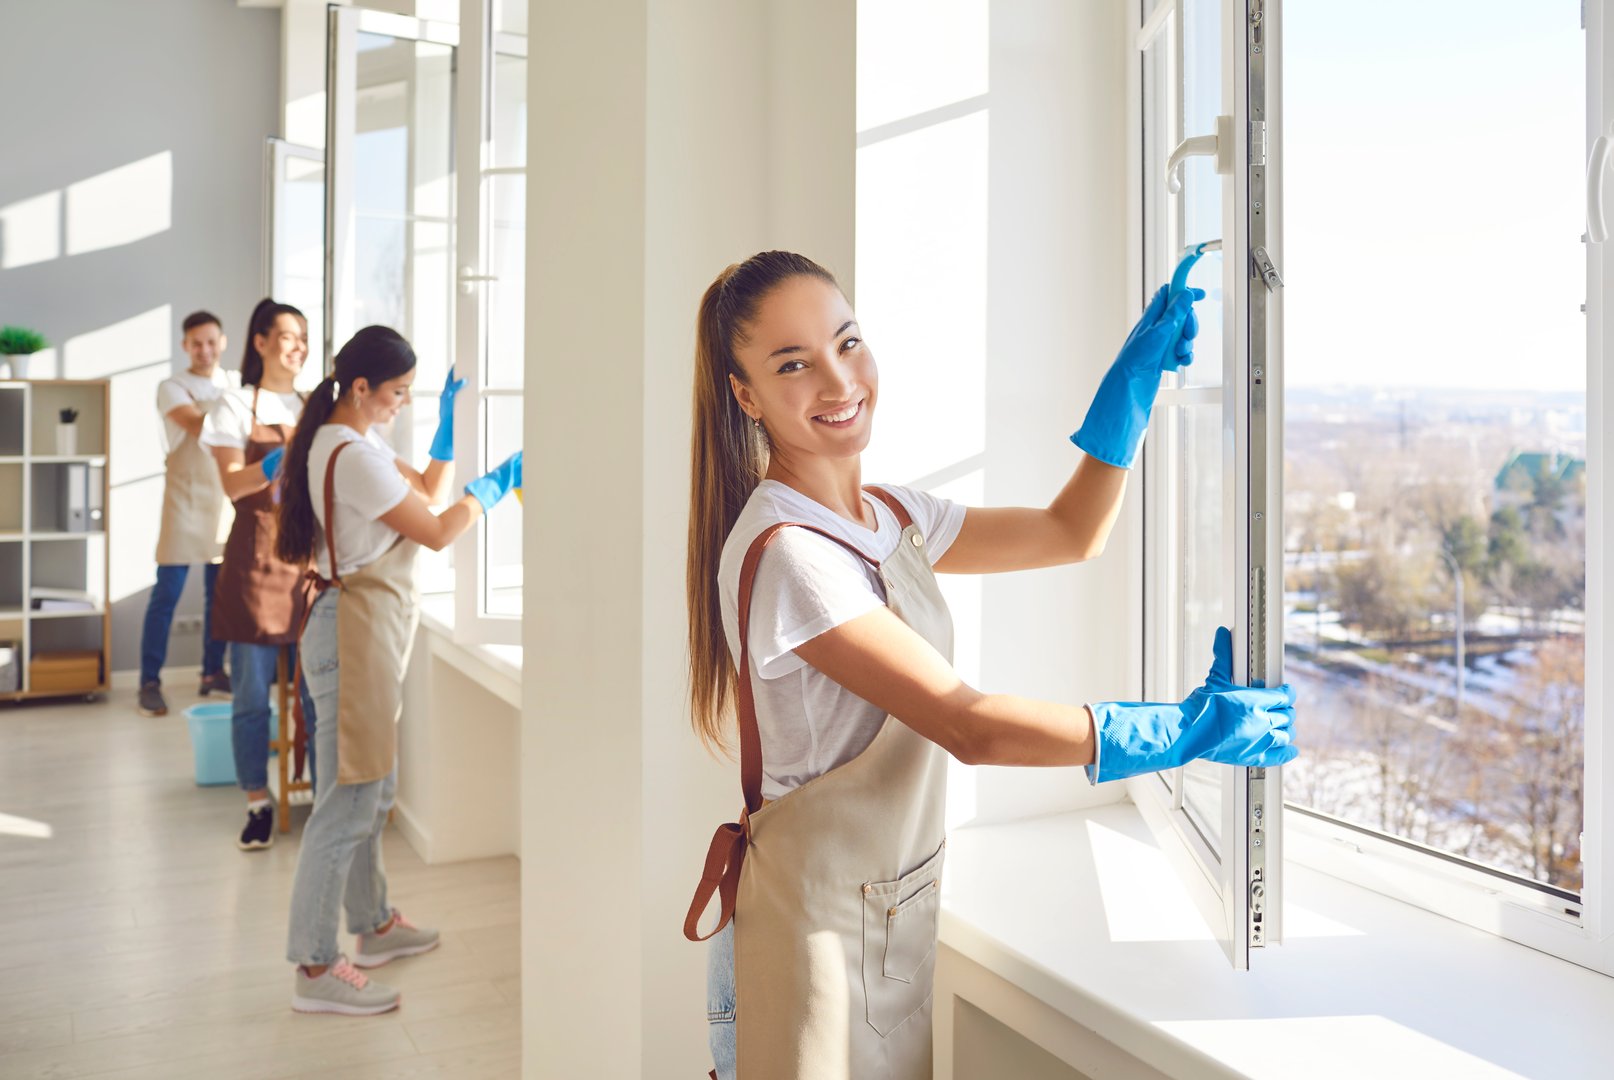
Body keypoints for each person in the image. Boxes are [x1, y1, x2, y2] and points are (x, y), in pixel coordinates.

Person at [682, 251, 1298, 1080]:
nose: (837, 380)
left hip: (878, 916)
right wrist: (1181, 732)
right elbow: (965, 724)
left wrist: (1132, 388)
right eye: (793, 364)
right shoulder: (792, 553)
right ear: (745, 395)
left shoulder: (892, 513)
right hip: (807, 945)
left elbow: (1068, 531)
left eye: (847, 341)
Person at [275, 326, 521, 1016]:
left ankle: (374, 924)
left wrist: (447, 432)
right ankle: (316, 967)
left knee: (363, 792)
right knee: (352, 801)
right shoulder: (349, 453)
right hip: (352, 634)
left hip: (350, 630)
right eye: (398, 393)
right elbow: (438, 529)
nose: (402, 405)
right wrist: (495, 488)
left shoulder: (345, 440)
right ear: (361, 388)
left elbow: (421, 490)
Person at [202, 298, 318, 851]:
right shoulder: (232, 404)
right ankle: (256, 801)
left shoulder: (315, 405)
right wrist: (281, 456)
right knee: (251, 695)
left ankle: (320, 797)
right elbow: (232, 484)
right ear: (261, 341)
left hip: (307, 565)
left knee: (314, 690)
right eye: (289, 336)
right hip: (253, 563)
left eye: (304, 339)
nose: (297, 347)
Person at [136, 311, 235, 717]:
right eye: (197, 343)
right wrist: (243, 414)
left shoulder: (232, 385)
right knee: (167, 595)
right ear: (185, 346)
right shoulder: (172, 387)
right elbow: (200, 426)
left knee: (221, 595)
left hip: (223, 500)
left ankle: (212, 672)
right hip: (183, 499)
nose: (205, 350)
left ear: (222, 341)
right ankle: (149, 682)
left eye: (212, 341)